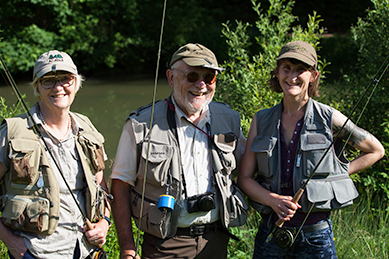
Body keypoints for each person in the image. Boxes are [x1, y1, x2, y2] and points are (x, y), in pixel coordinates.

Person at [237, 40, 385, 258]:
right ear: (277, 72)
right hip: (270, 230)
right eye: (286, 68)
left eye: (300, 70)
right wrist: (272, 200)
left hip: (316, 236)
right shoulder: (261, 120)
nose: (292, 76)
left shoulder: (329, 117)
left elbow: (376, 150)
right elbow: (245, 178)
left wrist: (335, 175)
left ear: (313, 76)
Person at [110, 43, 248, 259]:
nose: (201, 84)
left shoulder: (230, 119)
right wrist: (127, 248)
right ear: (171, 78)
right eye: (192, 76)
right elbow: (119, 186)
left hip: (216, 241)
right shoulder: (141, 124)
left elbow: (248, 171)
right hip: (164, 245)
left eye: (209, 77)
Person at [0, 50, 112, 259]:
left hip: (85, 251)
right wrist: (11, 242)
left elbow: (102, 189)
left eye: (65, 79)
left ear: (76, 84)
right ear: (37, 87)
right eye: (48, 81)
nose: (58, 87)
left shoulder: (87, 127)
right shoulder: (12, 132)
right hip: (35, 253)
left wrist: (104, 224)